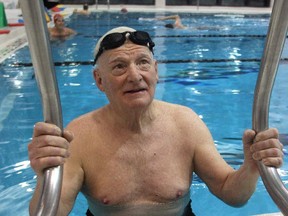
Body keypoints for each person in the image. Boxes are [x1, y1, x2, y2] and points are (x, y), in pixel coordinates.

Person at [28, 26, 284, 216]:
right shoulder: (79, 136)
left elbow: (233, 194)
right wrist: (44, 175)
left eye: (143, 63)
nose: (135, 76)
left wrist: (252, 165)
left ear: (156, 71)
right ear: (99, 80)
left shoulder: (186, 123)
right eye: (119, 67)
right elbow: (53, 211)